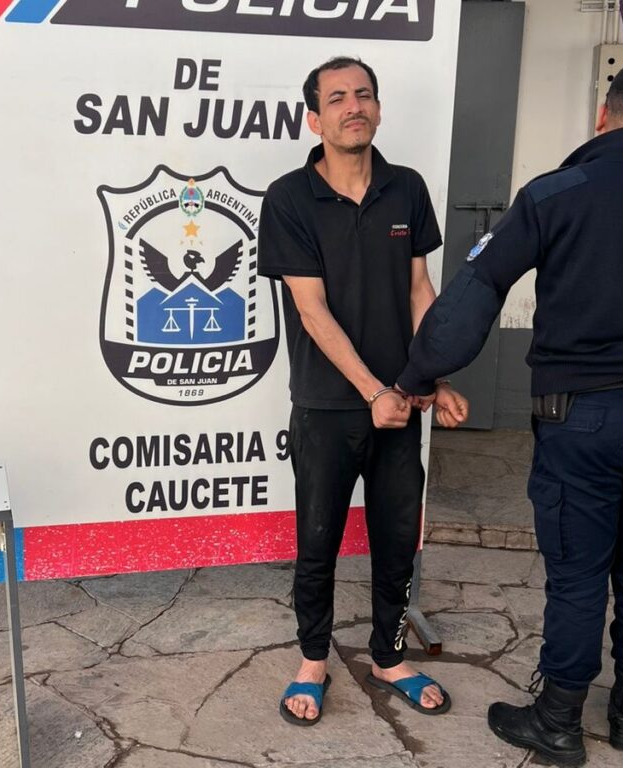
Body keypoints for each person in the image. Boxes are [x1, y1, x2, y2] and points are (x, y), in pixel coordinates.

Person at [396, 59, 623, 765]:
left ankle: (558, 720)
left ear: (602, 115)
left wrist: (419, 375)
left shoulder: (552, 194)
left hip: (581, 418)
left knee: (579, 569)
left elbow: (476, 292)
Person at [258, 56, 470, 726]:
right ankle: (312, 661)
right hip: (327, 407)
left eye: (364, 94)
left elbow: (419, 290)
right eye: (338, 98)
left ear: (377, 109)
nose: (354, 106)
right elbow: (311, 310)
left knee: (397, 538)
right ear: (314, 119)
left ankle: (389, 656)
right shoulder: (289, 198)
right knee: (318, 542)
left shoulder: (407, 188)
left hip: (400, 404)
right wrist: (375, 390)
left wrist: (431, 377)